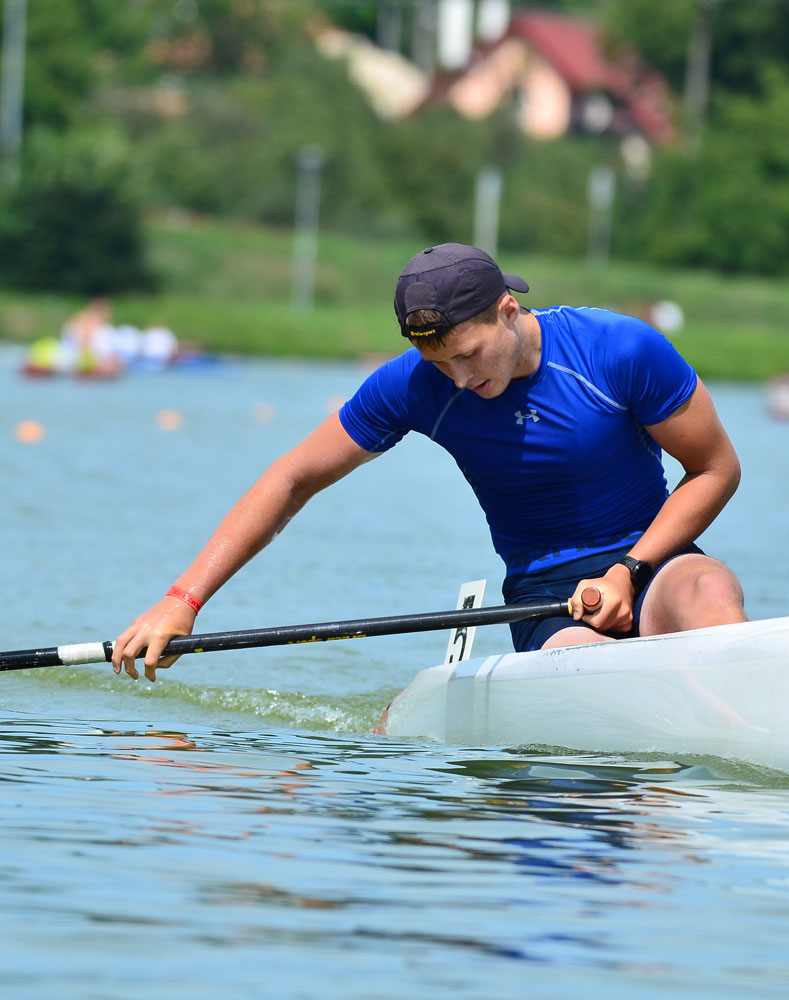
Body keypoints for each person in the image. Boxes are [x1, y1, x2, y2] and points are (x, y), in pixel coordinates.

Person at [112, 242, 746, 680]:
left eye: (468, 355)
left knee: (710, 590)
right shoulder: (416, 385)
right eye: (439, 363)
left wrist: (627, 572)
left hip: (654, 560)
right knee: (593, 666)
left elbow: (717, 469)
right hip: (547, 603)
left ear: (508, 310)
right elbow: (292, 477)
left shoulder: (618, 349)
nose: (458, 379)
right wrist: (182, 600)